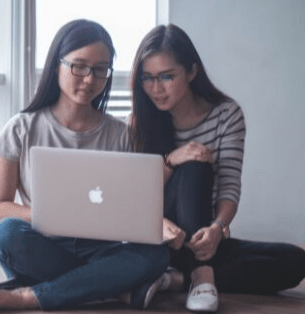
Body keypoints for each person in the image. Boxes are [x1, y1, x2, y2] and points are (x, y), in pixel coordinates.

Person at [0, 19, 169, 312]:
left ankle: (27, 297)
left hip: (101, 248)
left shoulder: (121, 134)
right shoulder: (21, 128)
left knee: (155, 255)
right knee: (5, 234)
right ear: (56, 65)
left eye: (100, 70)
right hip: (43, 244)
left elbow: (131, 207)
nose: (89, 79)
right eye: (79, 66)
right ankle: (111, 289)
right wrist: (49, 216)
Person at [127, 24, 305, 313]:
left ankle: (176, 279)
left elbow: (230, 184)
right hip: (159, 237)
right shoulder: (138, 122)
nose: (156, 89)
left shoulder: (226, 114)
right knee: (195, 162)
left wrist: (217, 228)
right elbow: (136, 197)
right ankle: (201, 275)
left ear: (192, 72)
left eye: (167, 77)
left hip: (201, 235)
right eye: (147, 78)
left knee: (295, 261)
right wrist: (173, 159)